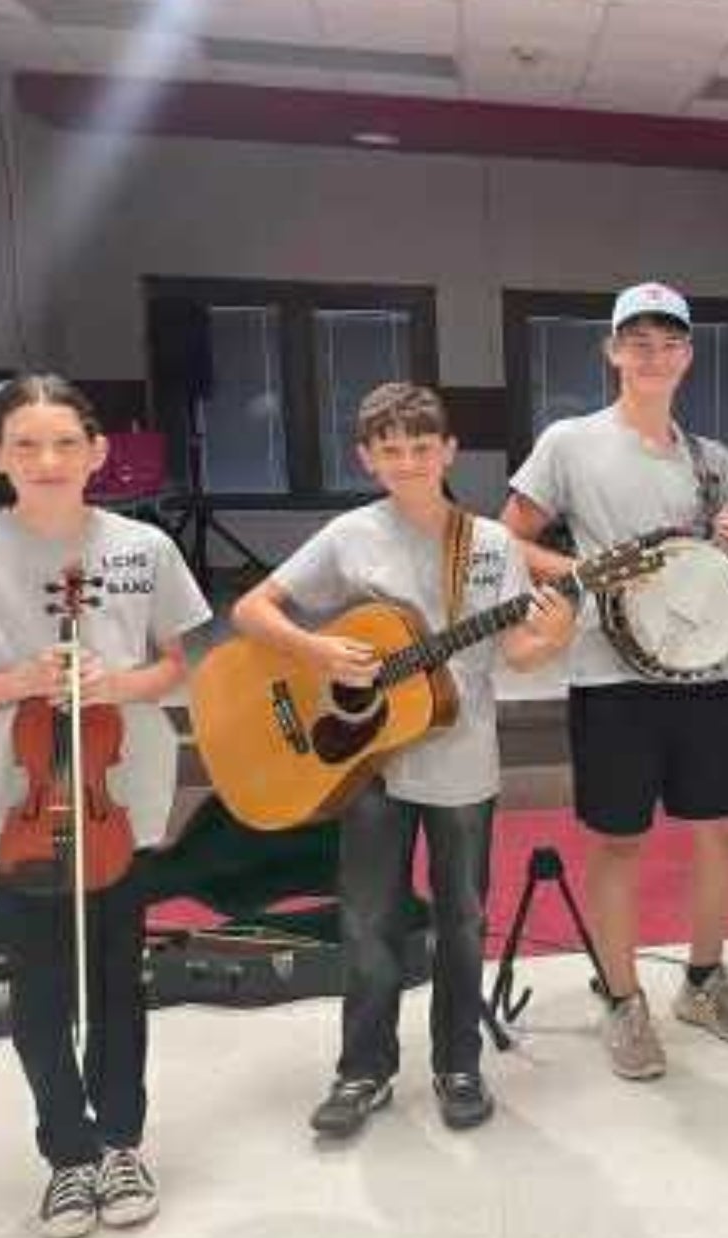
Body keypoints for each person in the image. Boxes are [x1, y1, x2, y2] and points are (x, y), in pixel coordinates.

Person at [233, 383, 574, 1138]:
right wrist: (319, 649)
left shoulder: (489, 544)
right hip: (370, 764)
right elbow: (251, 610)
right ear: (367, 458)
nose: (409, 462)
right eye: (391, 451)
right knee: (367, 920)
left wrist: (548, 640)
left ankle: (458, 1063)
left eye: (423, 448)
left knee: (461, 918)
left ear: (449, 451)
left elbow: (513, 651)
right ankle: (363, 1070)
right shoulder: (351, 535)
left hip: (462, 759)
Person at [0, 374, 210, 1238]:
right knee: (39, 994)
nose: (48, 460)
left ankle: (122, 1140)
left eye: (67, 443)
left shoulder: (141, 549)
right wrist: (18, 680)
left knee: (120, 983)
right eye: (26, 444)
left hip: (118, 804)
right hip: (19, 806)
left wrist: (117, 681)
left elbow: (174, 665)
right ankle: (67, 1155)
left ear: (99, 453)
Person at [500, 281, 728, 1080]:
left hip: (704, 670)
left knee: (725, 828)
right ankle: (622, 1001)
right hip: (608, 675)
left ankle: (703, 979)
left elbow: (707, 574)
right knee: (620, 841)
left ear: (688, 355)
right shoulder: (570, 442)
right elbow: (507, 539)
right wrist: (590, 573)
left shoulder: (712, 458)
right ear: (613, 351)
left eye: (670, 342)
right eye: (638, 341)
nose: (654, 356)